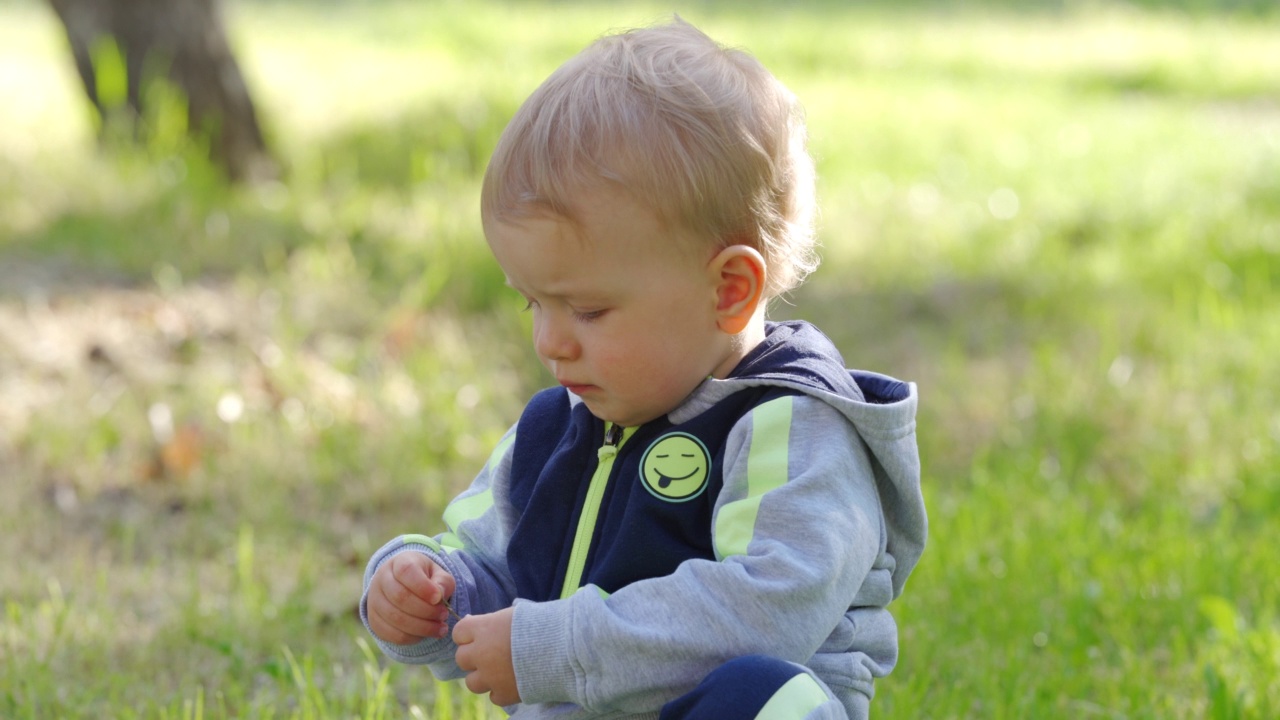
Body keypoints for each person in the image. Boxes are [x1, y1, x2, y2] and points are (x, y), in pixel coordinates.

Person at [360, 17, 926, 720]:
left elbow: (766, 612)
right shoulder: (558, 426)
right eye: (532, 303)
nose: (551, 343)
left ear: (728, 290)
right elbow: (491, 569)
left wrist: (555, 646)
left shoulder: (793, 426)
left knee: (763, 697)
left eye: (589, 311)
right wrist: (431, 592)